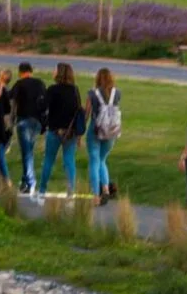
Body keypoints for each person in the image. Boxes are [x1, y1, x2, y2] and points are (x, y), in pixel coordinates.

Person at [38, 62, 84, 194]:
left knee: (48, 160)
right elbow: (78, 109)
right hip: (70, 131)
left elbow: (42, 106)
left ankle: (42, 189)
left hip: (54, 129)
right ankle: (71, 190)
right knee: (69, 160)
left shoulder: (53, 89)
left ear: (59, 73)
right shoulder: (74, 90)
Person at [7, 62, 46, 191]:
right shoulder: (40, 83)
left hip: (24, 120)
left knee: (26, 153)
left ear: (20, 72)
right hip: (37, 121)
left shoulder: (19, 84)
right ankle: (25, 181)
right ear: (31, 71)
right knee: (29, 151)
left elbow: (9, 97)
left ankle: (30, 182)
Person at [87, 68, 124, 199]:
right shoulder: (117, 93)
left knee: (94, 161)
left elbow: (87, 113)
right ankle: (106, 190)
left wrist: (80, 132)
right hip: (111, 131)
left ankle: (96, 194)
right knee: (102, 160)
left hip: (96, 130)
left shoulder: (92, 93)